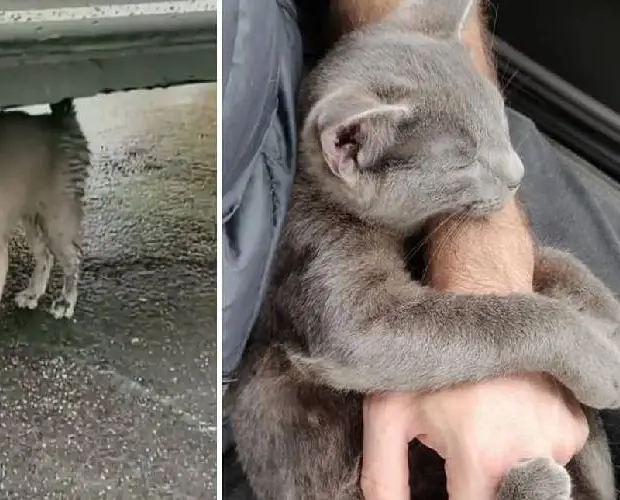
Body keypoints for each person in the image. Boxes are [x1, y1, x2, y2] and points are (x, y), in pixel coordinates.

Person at [221, 0, 620, 498]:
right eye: (468, 162)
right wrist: (553, 334)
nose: (513, 173)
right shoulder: (328, 221)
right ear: (349, 150)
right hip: (323, 433)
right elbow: (361, 333)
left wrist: (498, 279)